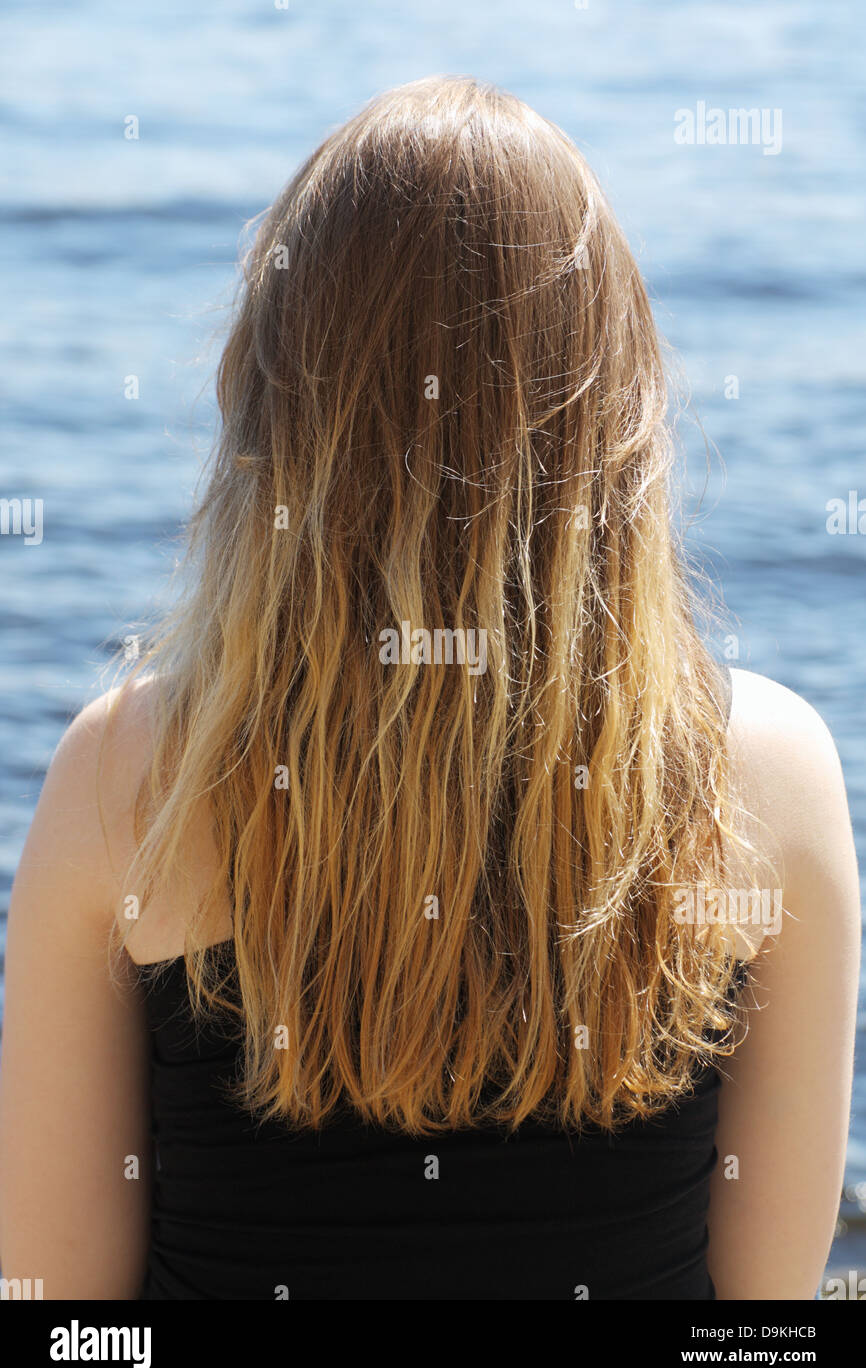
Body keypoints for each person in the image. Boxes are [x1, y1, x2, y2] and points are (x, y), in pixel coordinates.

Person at [0, 76, 859, 1301]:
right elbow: (764, 1306)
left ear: (274, 409)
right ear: (613, 410)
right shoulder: (764, 776)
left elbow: (63, 1312)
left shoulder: (128, 779)